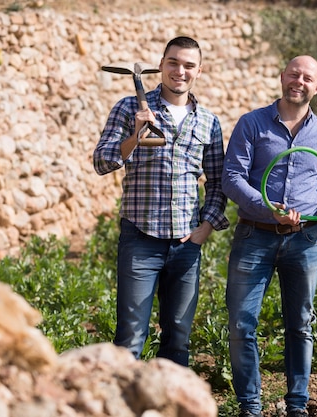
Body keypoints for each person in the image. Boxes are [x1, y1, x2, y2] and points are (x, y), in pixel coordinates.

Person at [222, 55, 317, 417]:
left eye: (307, 77)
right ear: (282, 77)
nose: (299, 81)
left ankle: (297, 404)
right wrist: (268, 208)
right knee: (241, 324)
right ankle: (250, 406)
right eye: (293, 74)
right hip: (255, 235)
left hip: (305, 239)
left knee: (300, 324)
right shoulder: (252, 123)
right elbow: (231, 177)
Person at [93, 36, 229, 367]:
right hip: (140, 238)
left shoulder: (208, 122)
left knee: (178, 336)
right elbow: (102, 162)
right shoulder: (130, 108)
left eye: (187, 65)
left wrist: (205, 228)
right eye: (173, 63)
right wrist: (135, 136)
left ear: (199, 70)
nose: (179, 71)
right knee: (130, 337)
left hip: (186, 244)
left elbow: (218, 182)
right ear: (161, 64)